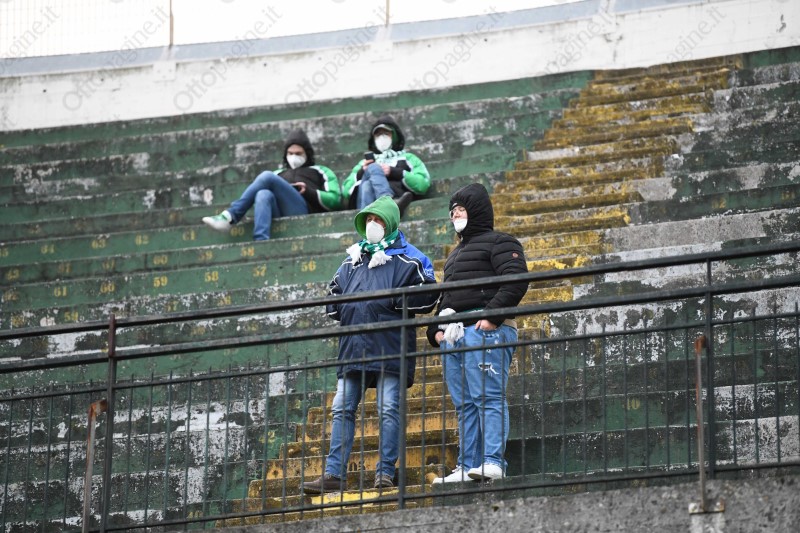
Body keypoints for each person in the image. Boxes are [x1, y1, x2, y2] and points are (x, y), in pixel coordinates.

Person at [302, 196, 439, 494]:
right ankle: (334, 475)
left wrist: (392, 299)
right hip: (353, 345)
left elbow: (430, 295)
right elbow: (333, 296)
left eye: (378, 220)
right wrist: (346, 308)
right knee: (342, 408)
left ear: (389, 223)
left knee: (388, 408)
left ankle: (386, 472)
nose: (372, 225)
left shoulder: (411, 258)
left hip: (391, 345)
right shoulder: (352, 259)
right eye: (368, 220)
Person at [425, 183, 528, 484]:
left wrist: (491, 317)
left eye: (461, 209)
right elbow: (447, 298)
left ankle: (493, 461)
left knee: (488, 397)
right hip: (454, 334)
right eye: (452, 212)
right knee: (466, 404)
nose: (455, 215)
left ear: (477, 211)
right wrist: (435, 331)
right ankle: (467, 466)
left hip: (486, 331)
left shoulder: (501, 242)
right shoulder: (454, 255)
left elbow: (516, 280)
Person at [201, 129, 342, 241]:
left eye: (298, 153)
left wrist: (308, 192)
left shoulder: (320, 171)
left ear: (307, 154)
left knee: (267, 176)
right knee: (263, 194)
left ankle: (230, 216)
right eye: (290, 153)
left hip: (302, 210)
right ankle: (261, 241)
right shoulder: (278, 174)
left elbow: (336, 200)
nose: (294, 157)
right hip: (278, 212)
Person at [342, 115, 430, 215]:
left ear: (394, 136)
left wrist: (396, 172)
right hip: (370, 200)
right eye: (378, 134)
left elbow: (423, 183)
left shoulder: (407, 158)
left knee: (367, 185)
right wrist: (362, 172)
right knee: (372, 169)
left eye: (386, 133)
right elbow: (346, 190)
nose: (382, 137)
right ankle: (388, 201)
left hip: (396, 193)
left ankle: (368, 218)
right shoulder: (364, 163)